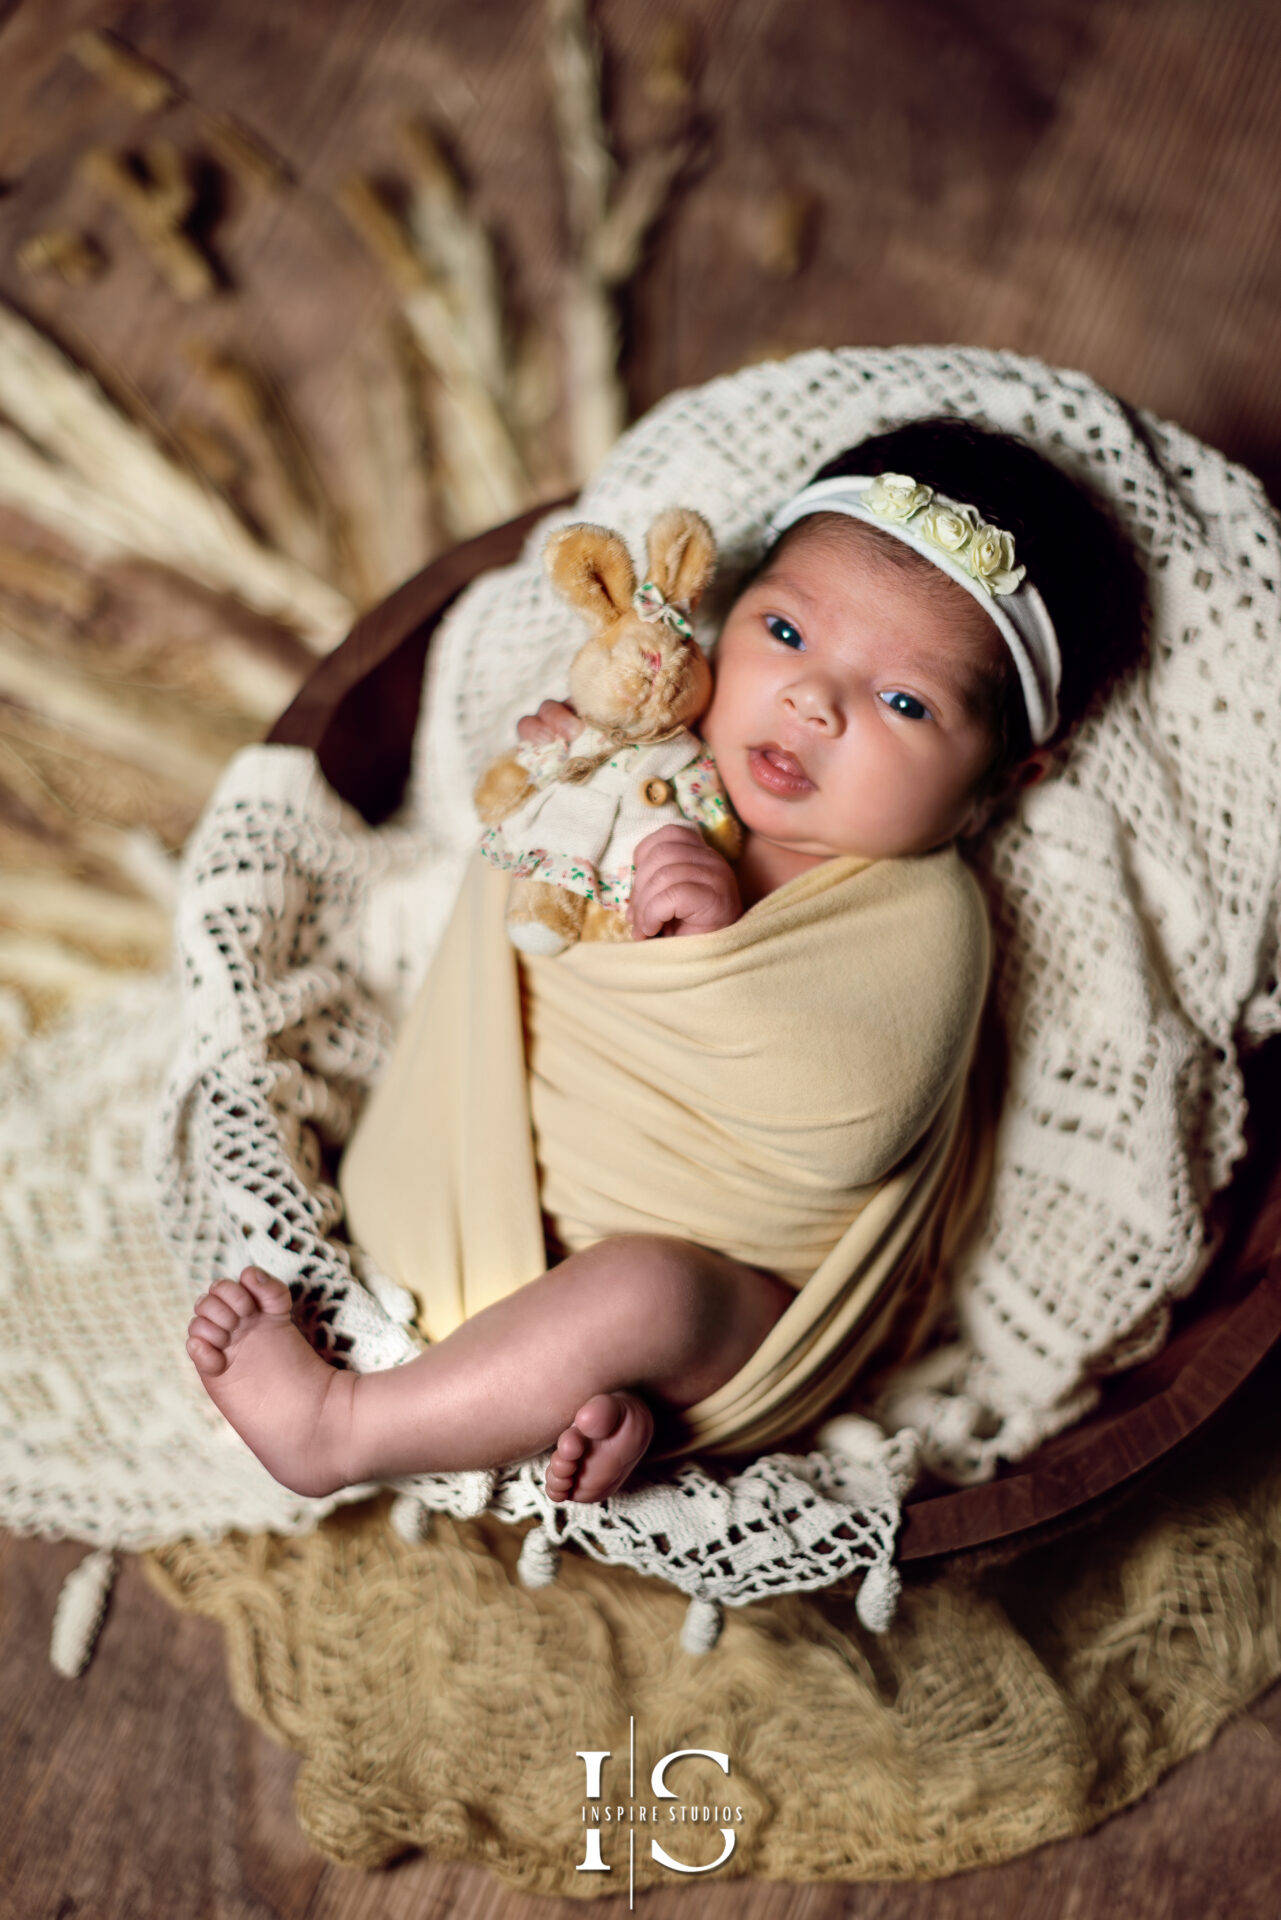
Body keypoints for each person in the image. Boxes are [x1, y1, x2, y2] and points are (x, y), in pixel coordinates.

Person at [184, 418, 1146, 1508]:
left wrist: (709, 951)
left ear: (1005, 780)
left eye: (906, 702)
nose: (813, 701)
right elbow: (512, 921)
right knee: (599, 1311)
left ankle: (345, 1425)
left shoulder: (926, 914)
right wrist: (556, 790)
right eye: (785, 630)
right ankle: (571, 1400)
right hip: (474, 1184)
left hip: (735, 1314)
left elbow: (853, 1121)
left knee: (650, 1296)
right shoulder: (650, 772)